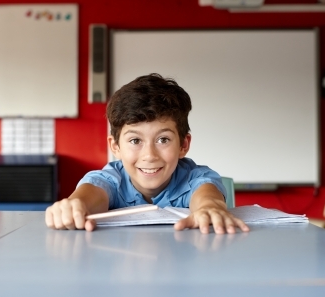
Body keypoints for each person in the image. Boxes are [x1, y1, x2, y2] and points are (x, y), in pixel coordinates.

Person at [45, 73, 249, 234]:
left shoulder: (196, 178)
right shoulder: (109, 180)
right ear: (115, 146)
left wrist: (210, 208)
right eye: (135, 140)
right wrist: (74, 207)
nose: (149, 155)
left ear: (183, 145)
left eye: (163, 140)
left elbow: (207, 198)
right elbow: (87, 198)